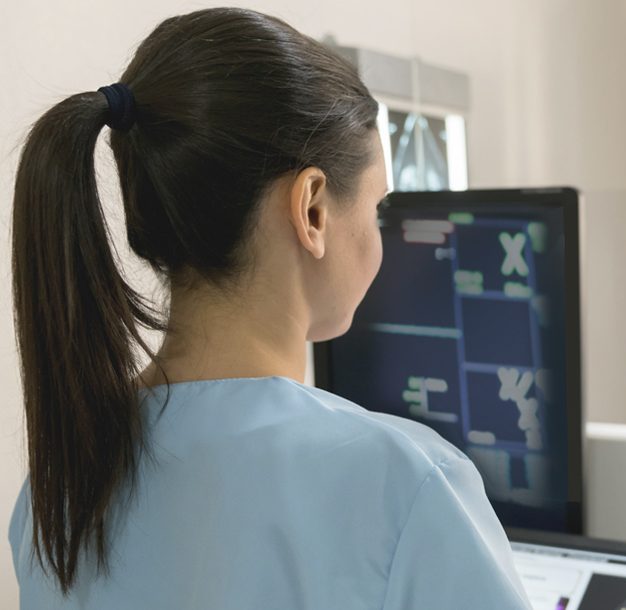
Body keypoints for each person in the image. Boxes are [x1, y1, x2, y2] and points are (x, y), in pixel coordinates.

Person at [8, 8, 531, 609]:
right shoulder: (408, 486)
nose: (379, 235)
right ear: (312, 210)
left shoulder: (58, 497)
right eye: (377, 209)